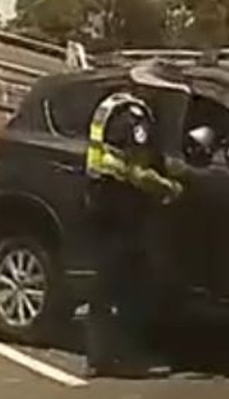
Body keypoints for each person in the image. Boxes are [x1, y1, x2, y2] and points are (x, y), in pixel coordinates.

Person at [83, 91, 184, 379]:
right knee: (131, 286)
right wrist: (170, 188)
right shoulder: (136, 119)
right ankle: (127, 359)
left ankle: (99, 357)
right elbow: (138, 173)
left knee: (103, 286)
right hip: (123, 206)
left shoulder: (111, 105)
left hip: (98, 200)